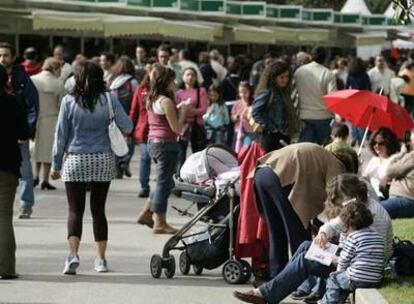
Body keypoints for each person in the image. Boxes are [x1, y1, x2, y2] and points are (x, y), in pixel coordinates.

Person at [234, 174, 389, 304]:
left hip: (358, 265)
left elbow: (356, 249)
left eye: (339, 201)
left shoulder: (360, 210)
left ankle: (267, 293)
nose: (338, 205)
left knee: (306, 259)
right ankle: (285, 286)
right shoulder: (364, 205)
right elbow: (332, 226)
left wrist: (333, 257)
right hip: (361, 257)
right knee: (306, 246)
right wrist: (323, 235)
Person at [51, 61, 133, 274]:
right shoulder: (109, 99)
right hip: (102, 158)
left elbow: (61, 136)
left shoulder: (68, 101)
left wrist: (56, 164)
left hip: (75, 160)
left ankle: (72, 256)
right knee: (98, 211)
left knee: (75, 210)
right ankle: (101, 260)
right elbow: (128, 126)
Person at [253, 143, 359, 280]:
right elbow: (334, 199)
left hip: (262, 173)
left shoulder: (322, 156)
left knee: (276, 231)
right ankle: (302, 281)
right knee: (300, 237)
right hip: (280, 178)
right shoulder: (337, 166)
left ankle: (276, 277)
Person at [136, 63, 191, 234]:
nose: (175, 84)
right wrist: (184, 112)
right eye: (173, 81)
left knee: (164, 182)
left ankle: (146, 212)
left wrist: (177, 109)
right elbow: (177, 128)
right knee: (163, 183)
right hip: (166, 144)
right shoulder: (166, 101)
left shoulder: (152, 99)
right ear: (166, 82)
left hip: (153, 142)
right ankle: (159, 221)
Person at [0, 42, 39, 219]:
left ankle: (25, 204)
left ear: (13, 57)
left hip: (16, 132)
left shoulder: (21, 77)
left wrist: (26, 130)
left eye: (6, 55)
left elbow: (32, 105)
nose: (2, 59)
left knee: (24, 170)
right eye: (0, 55)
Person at [320, 202, 384, 304]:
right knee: (343, 280)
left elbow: (344, 259)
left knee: (334, 279)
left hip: (357, 278)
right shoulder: (378, 236)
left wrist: (338, 271)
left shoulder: (353, 237)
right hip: (375, 279)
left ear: (348, 223)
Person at [0, 64, 29, 279]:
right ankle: (6, 268)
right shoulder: (13, 102)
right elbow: (23, 133)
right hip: (7, 166)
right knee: (4, 218)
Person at [251, 60, 299, 153]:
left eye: (287, 77)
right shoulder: (268, 92)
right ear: (273, 78)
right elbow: (256, 112)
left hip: (283, 135)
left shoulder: (283, 92)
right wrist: (272, 128)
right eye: (282, 77)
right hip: (271, 137)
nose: (285, 80)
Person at [32, 57, 65, 190]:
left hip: (35, 118)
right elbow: (62, 103)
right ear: (54, 68)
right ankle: (45, 179)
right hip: (51, 119)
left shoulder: (33, 79)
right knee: (48, 151)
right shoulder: (58, 83)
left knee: (36, 150)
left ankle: (35, 177)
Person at [294, 47, 337, 145]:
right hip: (324, 117)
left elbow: (294, 94)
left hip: (304, 116)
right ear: (326, 58)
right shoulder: (328, 74)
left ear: (311, 56)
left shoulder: (299, 72)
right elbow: (332, 98)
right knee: (323, 151)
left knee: (305, 150)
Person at [108, 56, 139, 179]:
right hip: (129, 114)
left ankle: (117, 168)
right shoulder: (133, 82)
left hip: (114, 115)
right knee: (129, 140)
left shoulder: (113, 82)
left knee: (116, 140)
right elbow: (137, 99)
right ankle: (125, 161)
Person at [175, 67, 208, 172]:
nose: (190, 77)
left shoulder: (201, 91)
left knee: (197, 155)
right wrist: (182, 106)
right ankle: (179, 177)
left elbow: (203, 109)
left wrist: (189, 110)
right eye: (188, 75)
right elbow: (175, 109)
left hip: (196, 125)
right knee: (180, 154)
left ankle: (197, 177)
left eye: (193, 75)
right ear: (183, 77)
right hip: (183, 126)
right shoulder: (179, 93)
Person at [382, 129, 414, 218]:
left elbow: (390, 171)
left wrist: (401, 154)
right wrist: (402, 154)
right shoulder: (409, 155)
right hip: (397, 198)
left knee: (376, 210)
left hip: (407, 200)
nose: (408, 143)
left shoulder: (411, 157)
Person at [129, 69, 152, 198]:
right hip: (144, 130)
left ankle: (166, 184)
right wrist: (128, 130)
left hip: (161, 131)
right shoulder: (140, 90)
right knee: (145, 157)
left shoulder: (164, 90)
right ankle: (144, 186)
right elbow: (134, 111)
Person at [362, 127, 400, 199]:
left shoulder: (395, 158)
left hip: (385, 197)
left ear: (389, 144)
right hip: (372, 197)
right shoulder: (374, 160)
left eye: (381, 143)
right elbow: (364, 180)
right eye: (374, 143)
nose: (377, 146)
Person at [345, 57, 372, 146]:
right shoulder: (365, 75)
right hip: (363, 99)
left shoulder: (350, 75)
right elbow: (368, 88)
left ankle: (354, 137)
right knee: (361, 120)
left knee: (352, 120)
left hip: (352, 98)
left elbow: (346, 87)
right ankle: (361, 140)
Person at [231, 81, 255, 152]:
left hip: (249, 132)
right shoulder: (237, 103)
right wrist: (236, 117)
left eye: (245, 92)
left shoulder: (253, 103)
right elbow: (232, 117)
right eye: (240, 92)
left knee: (247, 149)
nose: (242, 95)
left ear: (250, 92)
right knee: (236, 150)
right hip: (238, 131)